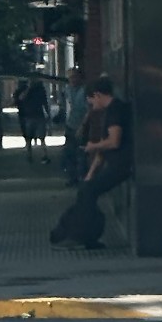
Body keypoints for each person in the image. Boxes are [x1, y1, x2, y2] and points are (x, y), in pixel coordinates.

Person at [50, 75, 131, 250]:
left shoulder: (116, 111)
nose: (91, 107)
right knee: (86, 191)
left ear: (98, 95)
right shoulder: (109, 112)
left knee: (88, 193)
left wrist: (93, 146)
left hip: (122, 165)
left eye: (91, 102)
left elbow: (113, 141)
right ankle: (85, 233)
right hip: (116, 163)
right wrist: (90, 175)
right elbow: (103, 150)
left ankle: (80, 234)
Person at [61, 67, 89, 186]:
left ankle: (83, 177)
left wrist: (82, 126)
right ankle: (73, 177)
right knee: (69, 152)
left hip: (81, 124)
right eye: (70, 77)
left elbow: (89, 110)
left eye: (73, 77)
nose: (71, 80)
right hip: (71, 124)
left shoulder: (84, 91)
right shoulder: (68, 90)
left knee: (81, 153)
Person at [18, 77, 49, 163]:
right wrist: (28, 88)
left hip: (39, 115)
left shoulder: (40, 89)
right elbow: (20, 98)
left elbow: (45, 101)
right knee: (28, 137)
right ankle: (29, 154)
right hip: (28, 116)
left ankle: (44, 155)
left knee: (41, 137)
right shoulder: (24, 88)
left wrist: (47, 113)